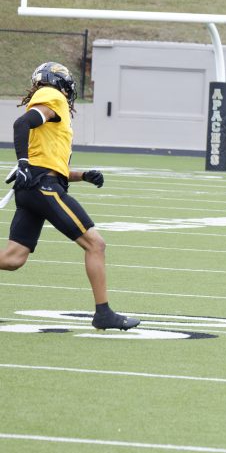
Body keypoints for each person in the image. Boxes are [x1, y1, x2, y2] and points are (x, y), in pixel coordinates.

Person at [1, 62, 140, 331]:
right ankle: (103, 313)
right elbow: (22, 124)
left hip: (33, 187)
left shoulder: (53, 112)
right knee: (95, 244)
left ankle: (104, 313)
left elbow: (52, 166)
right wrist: (23, 162)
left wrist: (83, 175)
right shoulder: (52, 95)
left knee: (12, 258)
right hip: (41, 187)